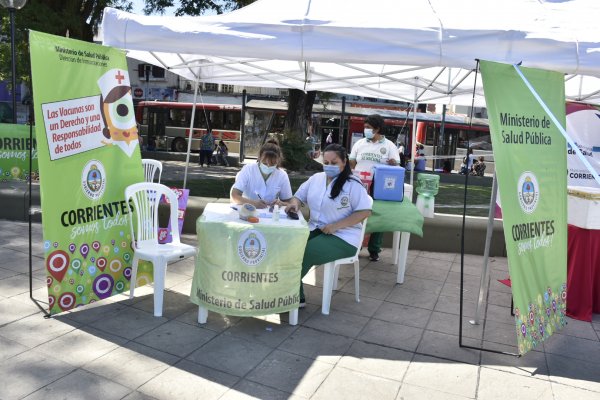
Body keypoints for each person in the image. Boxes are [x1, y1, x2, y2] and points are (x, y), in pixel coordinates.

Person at [286, 144, 372, 307]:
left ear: (344, 162)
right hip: (317, 229)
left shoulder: (353, 184)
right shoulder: (316, 179)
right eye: (326, 162)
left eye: (334, 163)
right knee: (290, 247)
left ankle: (287, 295)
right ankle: (296, 295)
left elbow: (364, 212)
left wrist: (336, 226)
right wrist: (295, 204)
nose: (329, 166)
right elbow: (298, 196)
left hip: (344, 237)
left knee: (305, 253)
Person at [349, 114, 400, 261]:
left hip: (379, 186)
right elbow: (352, 161)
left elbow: (396, 165)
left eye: (368, 128)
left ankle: (374, 249)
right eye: (365, 127)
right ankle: (355, 246)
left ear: (377, 129)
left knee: (378, 216)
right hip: (360, 184)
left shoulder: (389, 145)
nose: (366, 130)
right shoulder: (359, 144)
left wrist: (392, 163)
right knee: (356, 215)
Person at [230, 139, 292, 208]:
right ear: (259, 158)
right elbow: (234, 196)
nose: (268, 166)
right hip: (247, 211)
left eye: (272, 164)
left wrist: (281, 203)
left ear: (278, 161)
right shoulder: (248, 169)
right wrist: (253, 203)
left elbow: (288, 202)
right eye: (265, 163)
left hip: (270, 214)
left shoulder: (282, 175)